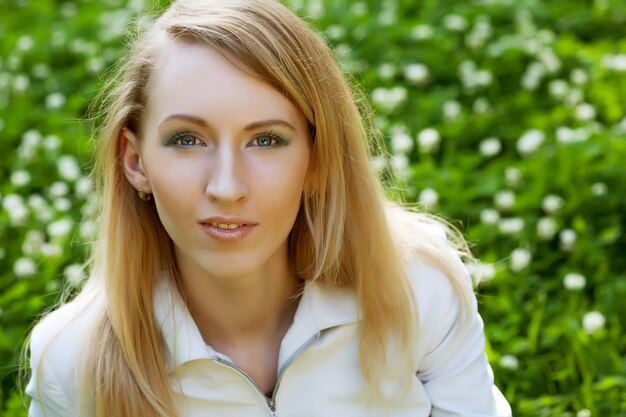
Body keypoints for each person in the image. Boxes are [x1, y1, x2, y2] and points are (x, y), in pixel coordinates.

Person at [25, 0, 512, 416]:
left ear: (317, 160)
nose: (227, 187)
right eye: (187, 139)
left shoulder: (418, 287)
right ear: (136, 163)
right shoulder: (72, 362)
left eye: (265, 140)